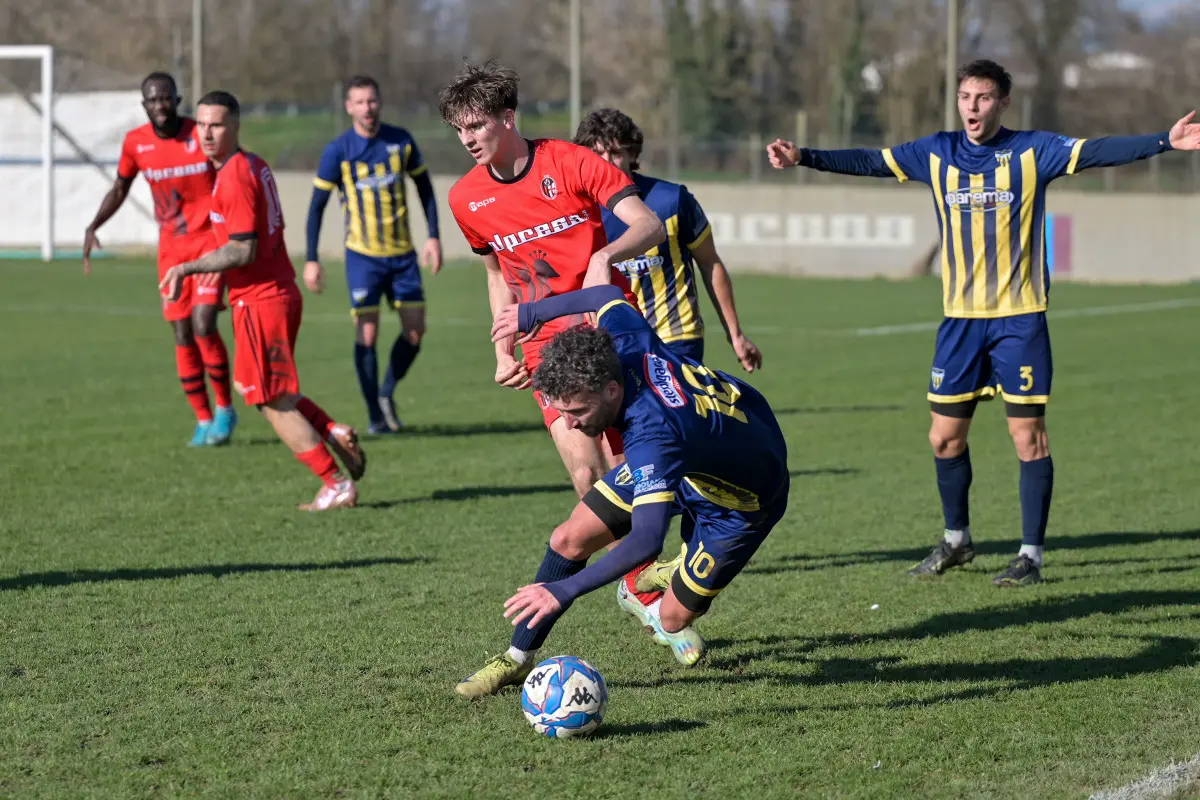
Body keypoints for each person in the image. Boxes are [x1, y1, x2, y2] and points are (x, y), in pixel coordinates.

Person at [766, 58, 1200, 586]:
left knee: (1027, 437)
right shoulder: (935, 153)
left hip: (1019, 320)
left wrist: (1164, 141)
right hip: (960, 323)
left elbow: (1096, 150)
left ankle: (1030, 556)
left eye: (984, 98)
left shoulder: (1033, 151)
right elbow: (870, 160)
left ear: (1003, 103)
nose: (973, 107)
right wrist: (804, 156)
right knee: (944, 439)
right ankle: (957, 540)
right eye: (966, 97)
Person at [453, 284, 790, 698]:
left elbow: (647, 538)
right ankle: (516, 658)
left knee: (671, 620)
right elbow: (605, 294)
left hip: (740, 503)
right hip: (702, 450)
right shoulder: (625, 340)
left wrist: (564, 590)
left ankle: (669, 574)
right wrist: (531, 312)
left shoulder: (652, 437)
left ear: (612, 390)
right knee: (568, 538)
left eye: (577, 412)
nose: (572, 425)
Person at [440, 60, 666, 499]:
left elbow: (649, 225)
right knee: (586, 475)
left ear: (507, 118)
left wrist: (605, 256)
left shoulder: (570, 161)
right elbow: (496, 274)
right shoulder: (464, 198)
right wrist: (502, 349)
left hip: (606, 327)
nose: (467, 139)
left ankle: (649, 562)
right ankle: (636, 568)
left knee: (630, 465)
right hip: (544, 342)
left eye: (476, 126)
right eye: (458, 129)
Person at [159, 91, 367, 511]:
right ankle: (332, 430)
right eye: (201, 124)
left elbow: (242, 249)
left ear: (235, 125)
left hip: (261, 300)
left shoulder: (235, 175)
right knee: (260, 388)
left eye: (216, 124)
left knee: (268, 399)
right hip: (269, 294)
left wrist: (187, 268)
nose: (207, 133)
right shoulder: (251, 165)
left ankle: (334, 483)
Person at [84, 72, 236, 447]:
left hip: (209, 244)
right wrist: (93, 225)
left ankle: (225, 408)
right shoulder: (136, 143)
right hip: (171, 249)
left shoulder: (200, 135)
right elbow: (121, 186)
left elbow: (232, 171)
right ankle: (202, 420)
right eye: (152, 100)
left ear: (177, 99)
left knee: (204, 323)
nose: (160, 105)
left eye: (166, 98)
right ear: (144, 105)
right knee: (182, 332)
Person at [304, 75, 443, 434]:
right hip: (363, 257)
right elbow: (316, 207)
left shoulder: (401, 142)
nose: (367, 108)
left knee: (415, 331)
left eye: (372, 100)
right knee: (366, 333)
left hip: (403, 256)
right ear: (348, 107)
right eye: (360, 102)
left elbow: (425, 189)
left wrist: (433, 237)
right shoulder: (339, 151)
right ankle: (375, 416)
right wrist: (311, 258)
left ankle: (386, 392)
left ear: (380, 103)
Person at [573, 108, 762, 371]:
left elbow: (710, 264)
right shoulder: (576, 211)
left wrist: (735, 334)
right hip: (614, 339)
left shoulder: (672, 200)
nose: (607, 162)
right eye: (598, 154)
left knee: (677, 411)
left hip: (676, 337)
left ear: (632, 154)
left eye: (616, 153)